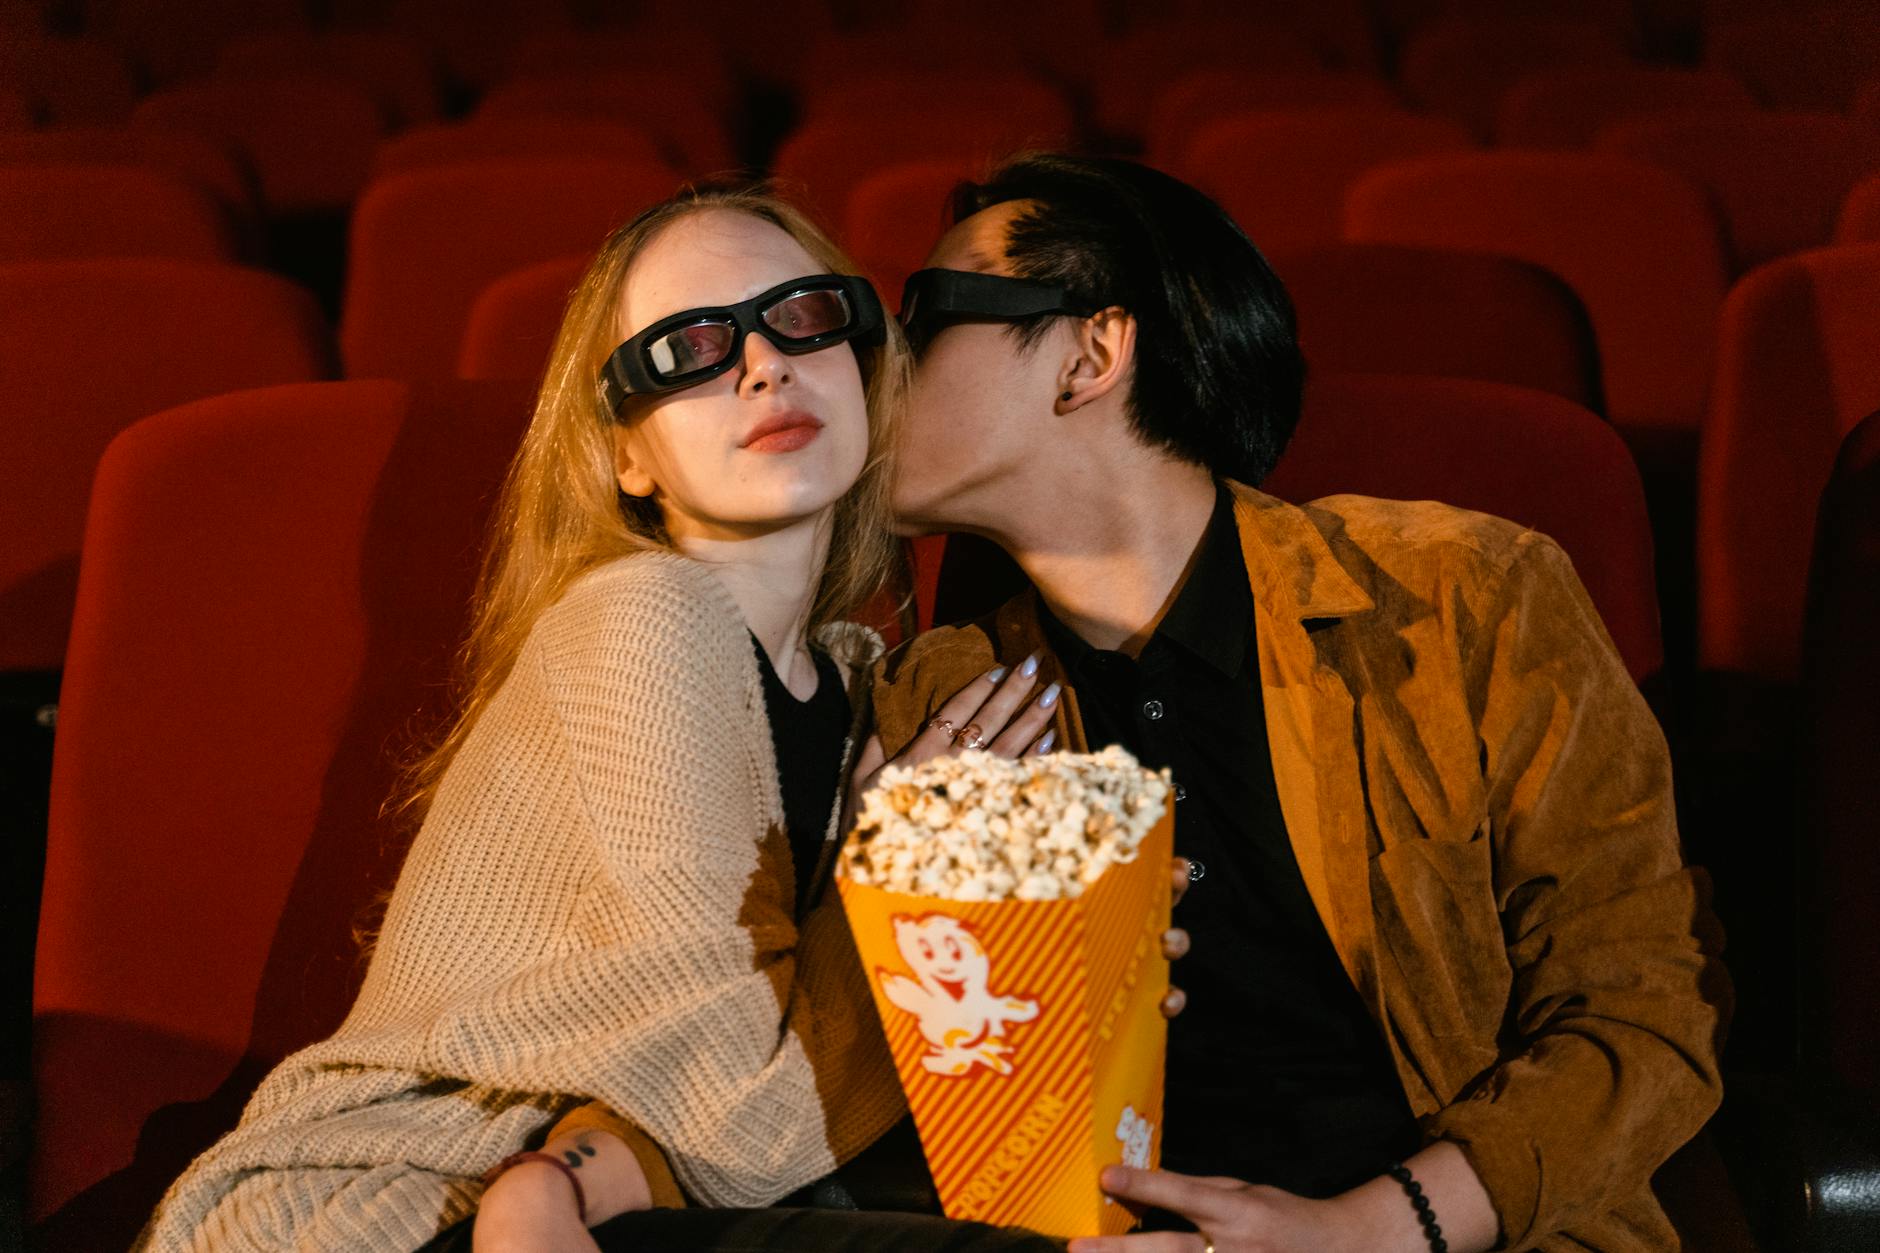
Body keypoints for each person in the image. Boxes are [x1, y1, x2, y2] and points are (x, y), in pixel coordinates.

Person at [135, 183, 1167, 1253]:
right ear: (629, 456)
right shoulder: (644, 618)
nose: (764, 365)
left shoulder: (865, 683)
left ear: (866, 365)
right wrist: (887, 877)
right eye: (691, 350)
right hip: (403, 1202)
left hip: (624, 1197)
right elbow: (745, 1124)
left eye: (804, 317)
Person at [861, 153, 1733, 1253]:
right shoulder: (938, 703)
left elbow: (1648, 1013)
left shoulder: (1462, 599)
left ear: (1089, 352)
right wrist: (888, 911)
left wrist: (1372, 1227)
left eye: (923, 315)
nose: (874, 365)